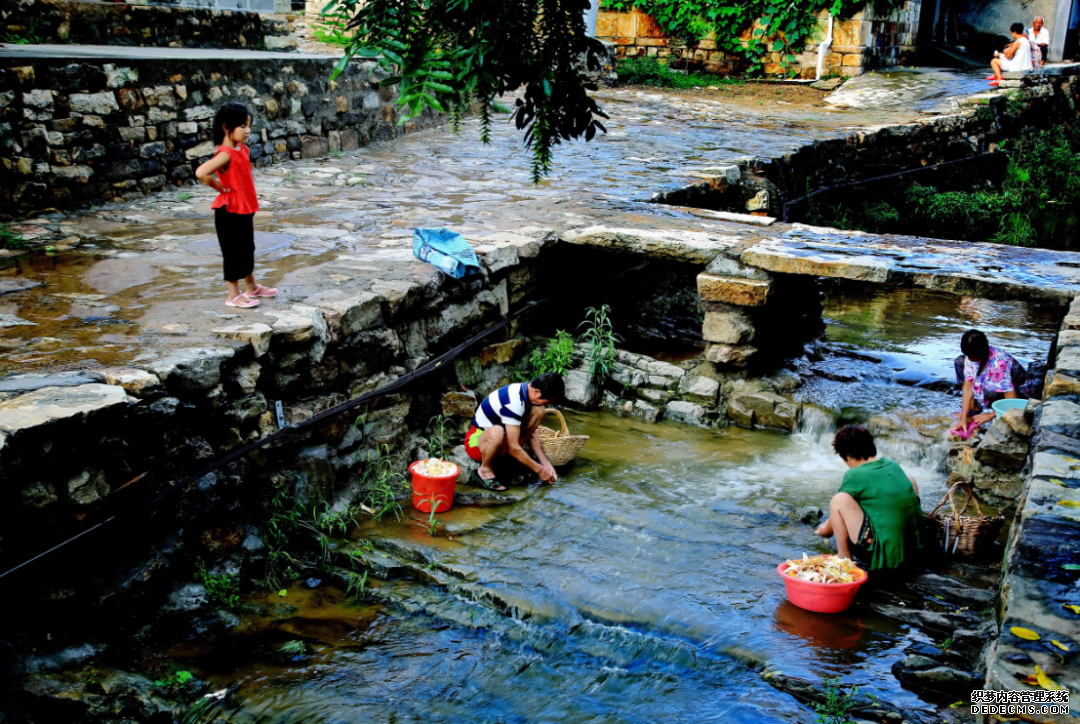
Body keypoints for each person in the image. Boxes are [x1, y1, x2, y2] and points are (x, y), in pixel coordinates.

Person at [195, 102, 278, 309]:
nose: (247, 130)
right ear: (226, 128)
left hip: (244, 207)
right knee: (232, 252)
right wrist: (219, 187)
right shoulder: (225, 154)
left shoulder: (242, 149)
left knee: (247, 248)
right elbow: (201, 172)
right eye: (242, 126)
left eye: (249, 125)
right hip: (229, 210)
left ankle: (252, 287)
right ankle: (233, 295)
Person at [815, 426, 925, 572]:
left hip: (886, 556)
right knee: (909, 479)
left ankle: (844, 558)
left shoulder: (854, 475)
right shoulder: (892, 465)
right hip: (915, 549)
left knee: (839, 500)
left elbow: (839, 510)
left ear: (848, 455)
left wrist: (824, 531)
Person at [464, 373, 564, 491]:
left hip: (502, 440)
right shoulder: (514, 402)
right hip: (477, 443)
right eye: (545, 401)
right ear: (536, 392)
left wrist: (545, 464)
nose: (544, 404)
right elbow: (512, 447)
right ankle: (484, 470)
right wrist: (540, 470)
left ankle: (513, 458)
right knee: (497, 431)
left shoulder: (525, 391)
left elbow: (531, 433)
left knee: (539, 410)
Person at [948, 329, 1023, 438]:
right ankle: (974, 407)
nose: (970, 359)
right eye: (968, 356)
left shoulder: (1000, 364)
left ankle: (988, 408)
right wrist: (963, 419)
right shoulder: (973, 357)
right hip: (995, 390)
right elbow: (968, 388)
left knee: (987, 387)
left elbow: (1012, 399)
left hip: (1019, 397)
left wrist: (990, 415)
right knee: (960, 361)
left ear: (984, 350)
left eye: (972, 356)